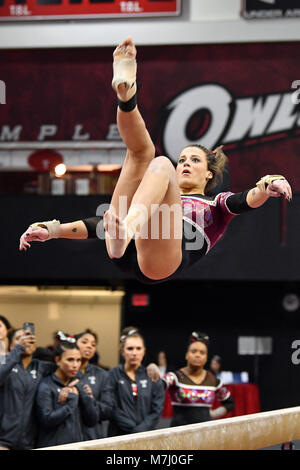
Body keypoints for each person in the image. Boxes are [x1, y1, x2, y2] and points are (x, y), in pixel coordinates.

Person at [19, 37, 292, 285]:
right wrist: (52, 230)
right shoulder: (154, 191)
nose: (184, 163)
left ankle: (125, 231)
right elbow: (100, 225)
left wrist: (270, 183)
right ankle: (127, 95)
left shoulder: (216, 205)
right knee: (142, 154)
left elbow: (249, 199)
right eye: (182, 158)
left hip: (160, 261)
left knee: (160, 164)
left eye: (194, 160)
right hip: (126, 241)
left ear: (209, 174)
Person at [35, 334, 99, 448]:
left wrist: (88, 398)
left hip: (77, 445)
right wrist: (71, 404)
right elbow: (45, 421)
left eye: (78, 360)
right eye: (70, 360)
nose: (75, 365)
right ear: (57, 360)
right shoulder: (46, 385)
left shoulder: (79, 385)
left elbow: (92, 421)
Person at [158, 331, 234, 426]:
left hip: (204, 433)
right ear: (186, 355)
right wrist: (154, 373)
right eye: (193, 351)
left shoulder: (213, 380)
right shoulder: (175, 377)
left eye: (202, 353)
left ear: (206, 358)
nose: (197, 355)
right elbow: (158, 385)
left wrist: (212, 414)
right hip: (180, 434)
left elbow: (229, 403)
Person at [0, 328, 55, 450]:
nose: (25, 341)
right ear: (11, 345)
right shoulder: (3, 362)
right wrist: (18, 350)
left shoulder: (41, 367)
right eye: (19, 338)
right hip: (3, 440)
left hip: (30, 442)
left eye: (29, 338)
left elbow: (67, 368)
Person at [106, 326, 165, 437]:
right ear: (122, 351)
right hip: (118, 436)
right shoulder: (112, 374)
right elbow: (111, 407)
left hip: (145, 437)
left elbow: (157, 409)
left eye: (138, 348)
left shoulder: (151, 375)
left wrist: (141, 430)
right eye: (130, 348)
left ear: (144, 351)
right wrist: (133, 429)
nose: (134, 353)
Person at [74, 329, 112, 440]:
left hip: (93, 435)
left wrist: (90, 400)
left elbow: (108, 410)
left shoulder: (102, 375)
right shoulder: (65, 372)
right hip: (68, 437)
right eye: (84, 342)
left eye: (93, 344)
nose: (89, 346)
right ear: (74, 344)